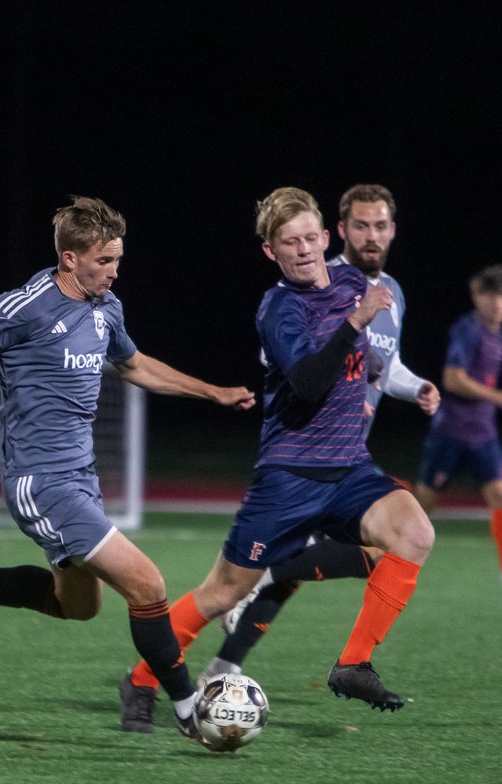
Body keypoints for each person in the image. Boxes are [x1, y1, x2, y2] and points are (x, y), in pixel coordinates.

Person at [0, 196, 256, 742]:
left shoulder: (106, 307)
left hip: (80, 478)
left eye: (117, 260)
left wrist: (212, 392)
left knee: (78, 607)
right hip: (37, 481)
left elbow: (134, 364)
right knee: (148, 584)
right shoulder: (29, 305)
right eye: (103, 262)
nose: (114, 272)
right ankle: (191, 712)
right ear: (69, 259)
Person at [121, 187, 435, 735]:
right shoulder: (279, 307)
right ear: (272, 251)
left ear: (325, 236)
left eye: (311, 237)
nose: (305, 249)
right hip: (289, 475)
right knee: (224, 591)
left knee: (414, 533)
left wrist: (382, 375)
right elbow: (309, 383)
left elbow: (372, 358)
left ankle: (353, 664)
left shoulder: (354, 284)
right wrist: (356, 325)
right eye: (291, 242)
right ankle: (143, 679)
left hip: (348, 467)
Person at [203, 184, 441, 681]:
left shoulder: (389, 293)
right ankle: (206, 664)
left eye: (380, 226)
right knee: (319, 564)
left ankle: (226, 664)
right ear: (341, 230)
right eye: (361, 225)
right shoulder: (316, 288)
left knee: (384, 548)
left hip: (349, 452)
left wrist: (415, 385)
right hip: (306, 449)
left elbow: (384, 365)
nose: (371, 236)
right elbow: (297, 367)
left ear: (393, 230)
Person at [413, 264, 502, 594]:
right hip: (451, 432)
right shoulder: (467, 330)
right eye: (491, 295)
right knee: (422, 503)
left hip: (484, 434)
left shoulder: (500, 335)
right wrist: (500, 397)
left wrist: (497, 400)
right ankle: (378, 556)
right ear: (477, 296)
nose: (498, 303)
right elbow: (452, 379)